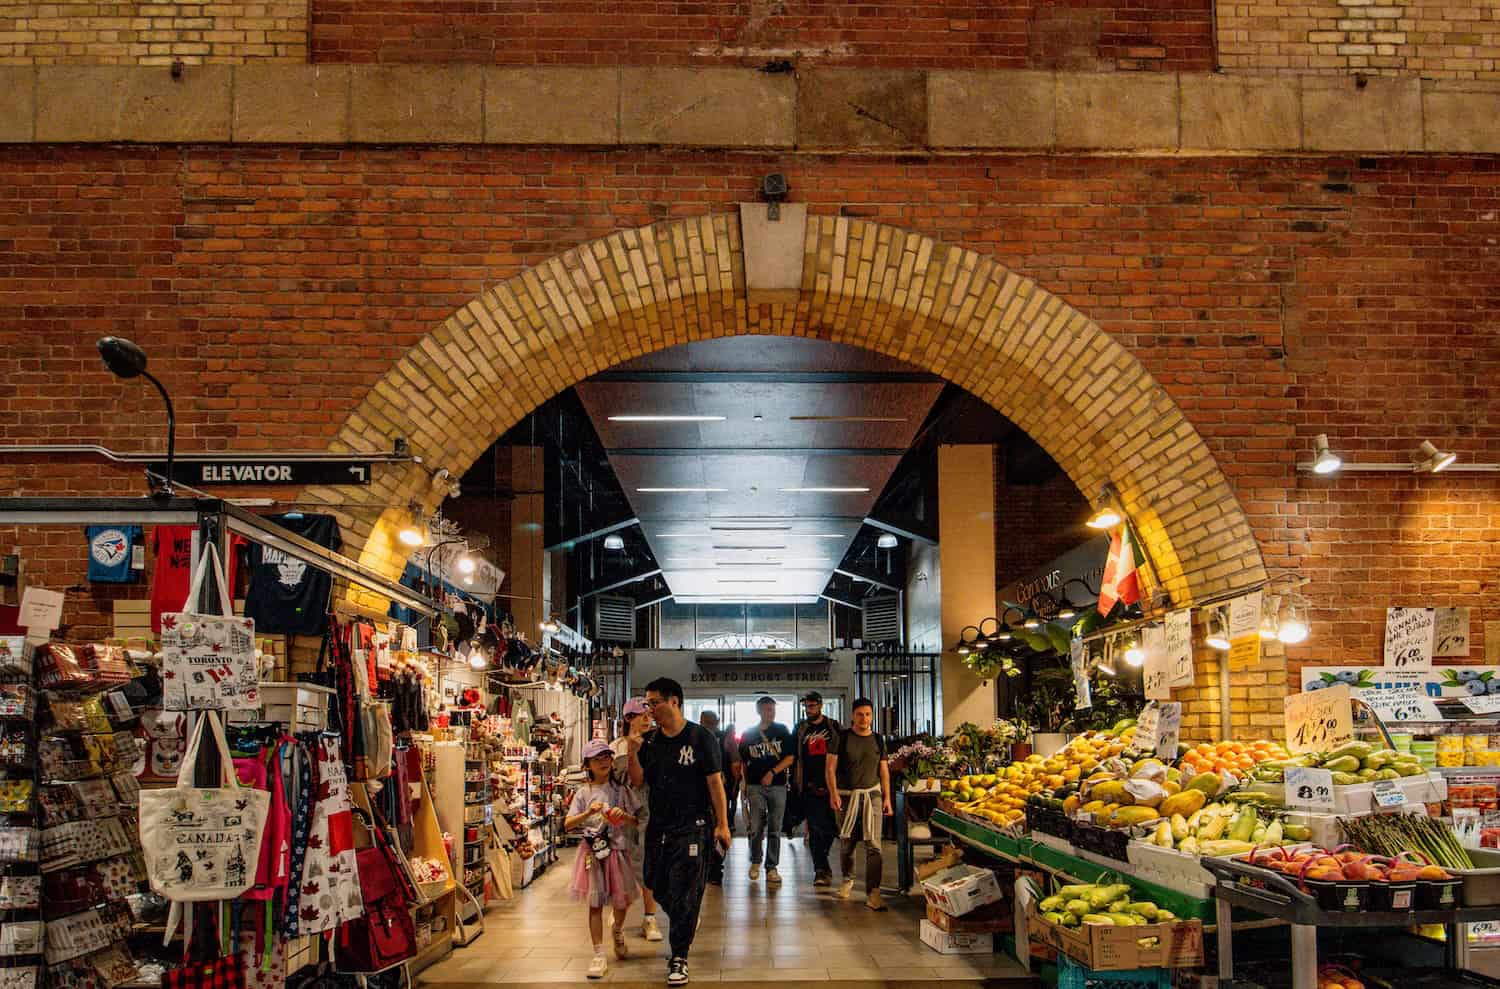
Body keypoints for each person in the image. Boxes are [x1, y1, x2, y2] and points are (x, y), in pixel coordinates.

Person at [627, 678, 732, 987]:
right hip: (659, 826)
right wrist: (632, 751)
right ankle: (685, 917)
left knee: (686, 890)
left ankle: (679, 956)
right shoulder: (650, 742)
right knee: (654, 882)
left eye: (654, 703)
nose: (649, 710)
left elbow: (716, 783)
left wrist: (723, 824)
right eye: (647, 704)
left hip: (694, 826)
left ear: (674, 702)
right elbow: (636, 781)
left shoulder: (701, 738)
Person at [565, 740, 641, 979]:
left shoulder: (621, 790)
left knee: (622, 900)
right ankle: (598, 953)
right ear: (587, 764)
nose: (604, 762)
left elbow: (637, 820)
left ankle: (617, 929)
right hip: (592, 855)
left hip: (617, 851)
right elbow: (568, 824)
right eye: (597, 758)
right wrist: (588, 813)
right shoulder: (582, 793)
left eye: (607, 757)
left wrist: (623, 816)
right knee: (595, 903)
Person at [826, 698, 892, 911]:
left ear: (872, 716)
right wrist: (833, 793)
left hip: (873, 796)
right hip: (846, 796)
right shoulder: (841, 738)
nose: (864, 718)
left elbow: (883, 771)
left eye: (868, 714)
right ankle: (848, 879)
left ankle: (874, 892)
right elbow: (830, 768)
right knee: (848, 843)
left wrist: (887, 798)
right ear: (853, 716)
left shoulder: (878, 740)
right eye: (860, 714)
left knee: (874, 845)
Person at [610, 698, 663, 944]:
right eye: (641, 715)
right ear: (628, 718)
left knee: (648, 864)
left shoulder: (657, 744)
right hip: (621, 813)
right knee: (620, 864)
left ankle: (650, 917)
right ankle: (619, 913)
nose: (646, 719)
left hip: (649, 811)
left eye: (648, 715)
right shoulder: (615, 747)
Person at [737, 696, 793, 885]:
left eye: (773, 709)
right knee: (756, 826)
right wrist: (743, 783)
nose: (772, 712)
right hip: (755, 786)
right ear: (759, 711)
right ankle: (755, 861)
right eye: (768, 709)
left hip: (777, 785)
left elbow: (790, 757)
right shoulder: (749, 734)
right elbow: (743, 761)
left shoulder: (782, 731)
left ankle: (771, 867)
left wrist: (773, 771)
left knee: (775, 828)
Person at [793, 691, 841, 886]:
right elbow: (795, 754)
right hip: (808, 784)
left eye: (812, 706)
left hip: (831, 784)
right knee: (814, 828)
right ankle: (820, 869)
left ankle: (823, 863)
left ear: (820, 706)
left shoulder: (832, 726)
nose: (808, 709)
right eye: (806, 706)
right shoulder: (800, 728)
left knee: (830, 829)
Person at [698, 709, 727, 885]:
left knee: (717, 829)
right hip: (705, 791)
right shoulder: (697, 737)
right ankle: (712, 868)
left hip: (717, 790)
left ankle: (715, 868)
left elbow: (734, 762)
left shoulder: (721, 738)